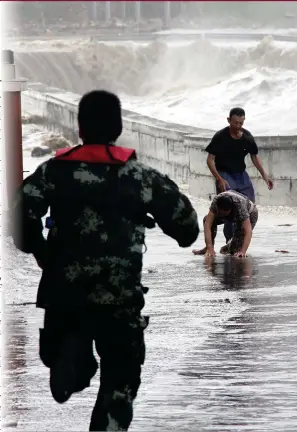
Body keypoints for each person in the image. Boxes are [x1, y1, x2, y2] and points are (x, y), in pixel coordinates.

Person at [10, 90, 199, 431]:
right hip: (119, 299)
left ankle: (72, 360)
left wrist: (40, 252)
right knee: (120, 384)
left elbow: (19, 215)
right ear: (119, 126)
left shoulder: (54, 171)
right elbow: (186, 229)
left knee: (70, 357)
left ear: (80, 127)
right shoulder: (139, 176)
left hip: (63, 295)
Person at [205, 107, 273, 245]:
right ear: (229, 120)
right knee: (230, 207)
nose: (238, 126)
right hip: (224, 174)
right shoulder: (220, 136)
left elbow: (254, 157)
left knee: (249, 208)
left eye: (241, 123)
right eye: (235, 123)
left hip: (241, 175)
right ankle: (229, 239)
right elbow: (210, 160)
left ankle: (239, 239)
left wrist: (265, 176)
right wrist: (219, 178)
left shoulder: (247, 137)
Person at [192, 190, 258, 258]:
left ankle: (231, 244)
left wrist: (243, 251)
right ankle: (208, 249)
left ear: (230, 210)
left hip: (250, 213)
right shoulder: (216, 201)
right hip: (228, 211)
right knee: (206, 219)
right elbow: (208, 224)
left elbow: (248, 231)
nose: (221, 215)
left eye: (223, 213)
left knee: (233, 251)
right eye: (219, 213)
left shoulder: (240, 206)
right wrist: (209, 247)